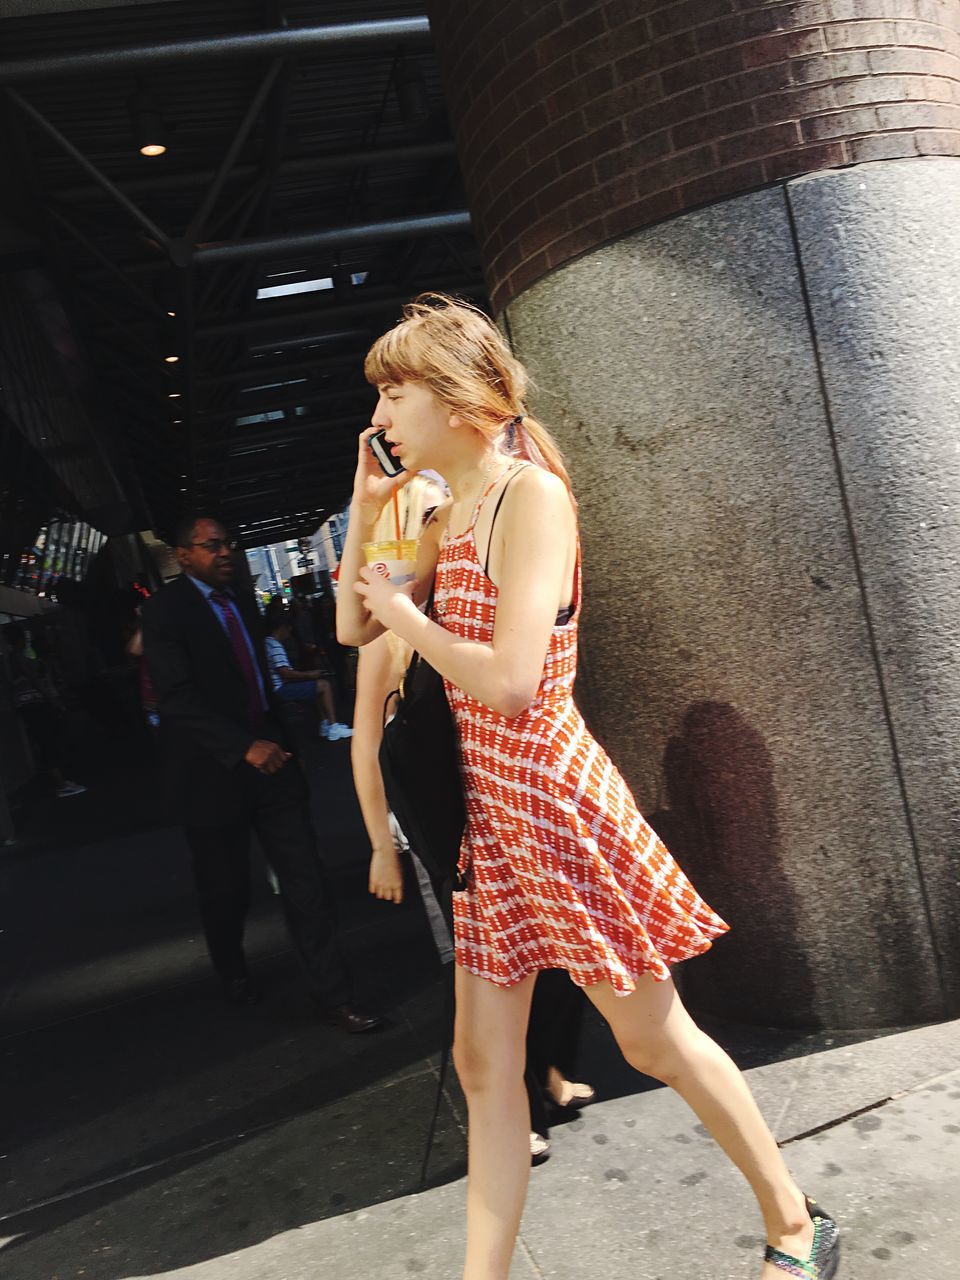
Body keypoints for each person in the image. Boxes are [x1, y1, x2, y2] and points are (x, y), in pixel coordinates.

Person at [336, 295, 840, 1280]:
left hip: (554, 803)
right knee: (485, 1068)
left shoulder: (531, 497)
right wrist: (369, 511)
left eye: (395, 392)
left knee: (655, 1041)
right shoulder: (449, 508)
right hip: (492, 818)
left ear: (453, 395)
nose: (383, 416)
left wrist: (410, 609)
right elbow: (359, 630)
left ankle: (795, 1219)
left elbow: (516, 681)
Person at [142, 516, 380, 1032]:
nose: (226, 552)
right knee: (225, 888)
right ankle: (232, 970)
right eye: (212, 545)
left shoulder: (243, 599)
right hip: (212, 776)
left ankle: (333, 994)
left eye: (230, 542)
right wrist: (242, 746)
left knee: (306, 880)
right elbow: (176, 698)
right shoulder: (164, 611)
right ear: (183, 555)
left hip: (274, 765)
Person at [5, 622, 86, 798]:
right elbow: (34, 679)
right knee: (48, 740)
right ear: (20, 639)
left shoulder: (11, 658)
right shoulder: (19, 658)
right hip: (34, 703)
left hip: (27, 704)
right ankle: (61, 783)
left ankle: (61, 781)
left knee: (46, 740)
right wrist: (52, 699)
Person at [263, 604, 353, 741]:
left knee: (315, 687)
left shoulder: (267, 643)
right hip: (281, 688)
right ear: (283, 628)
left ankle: (325, 723)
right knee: (324, 686)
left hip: (278, 687)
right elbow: (285, 673)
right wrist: (311, 675)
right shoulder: (274, 645)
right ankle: (333, 726)